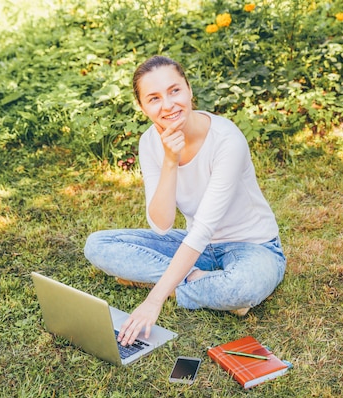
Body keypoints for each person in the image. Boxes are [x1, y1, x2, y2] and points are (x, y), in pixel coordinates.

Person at [84, 55, 286, 346]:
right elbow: (161, 225)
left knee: (243, 287)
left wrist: (154, 301)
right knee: (98, 245)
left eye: (174, 90)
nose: (167, 105)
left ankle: (176, 285)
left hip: (254, 247)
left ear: (189, 90)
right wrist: (170, 161)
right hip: (197, 250)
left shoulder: (227, 139)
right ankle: (199, 281)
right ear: (142, 107)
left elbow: (204, 228)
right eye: (153, 98)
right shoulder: (149, 143)